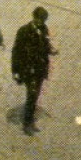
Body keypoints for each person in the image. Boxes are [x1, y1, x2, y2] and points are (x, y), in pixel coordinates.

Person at [11, 7, 56, 135]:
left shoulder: (44, 29)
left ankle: (29, 120)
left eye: (43, 20)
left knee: (35, 95)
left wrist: (51, 50)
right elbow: (16, 52)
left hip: (40, 69)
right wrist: (15, 71)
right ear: (33, 17)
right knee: (31, 94)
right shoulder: (23, 31)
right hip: (28, 69)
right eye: (39, 19)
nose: (41, 22)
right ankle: (27, 123)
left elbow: (45, 44)